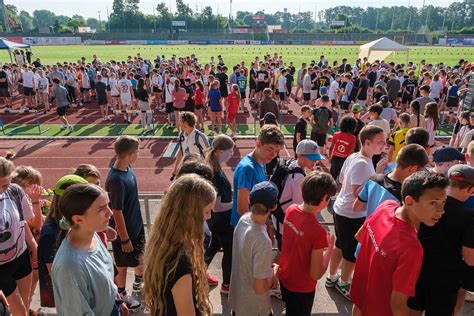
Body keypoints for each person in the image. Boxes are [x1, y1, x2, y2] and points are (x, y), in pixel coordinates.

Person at [351, 172, 449, 316]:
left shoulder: (386, 206)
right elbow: (397, 304)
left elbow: (360, 236)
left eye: (443, 203)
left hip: (359, 297)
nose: (441, 211)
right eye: (433, 203)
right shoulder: (412, 248)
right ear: (409, 201)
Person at [326, 126, 386, 300]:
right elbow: (357, 193)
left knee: (340, 244)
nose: (384, 145)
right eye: (380, 142)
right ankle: (344, 282)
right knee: (351, 253)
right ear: (367, 143)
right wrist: (377, 176)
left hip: (341, 208)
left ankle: (332, 277)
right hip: (351, 214)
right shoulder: (363, 163)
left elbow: (342, 178)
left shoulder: (353, 156)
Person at [143, 174, 215, 315]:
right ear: (189, 214)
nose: (209, 217)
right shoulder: (180, 265)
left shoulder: (162, 242)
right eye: (207, 211)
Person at [408, 165, 474, 316]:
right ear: (470, 189)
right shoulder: (469, 216)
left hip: (418, 268)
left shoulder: (425, 203)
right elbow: (470, 259)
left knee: (414, 309)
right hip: (445, 277)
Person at [51, 184, 125, 316]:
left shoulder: (93, 235)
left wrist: (116, 298)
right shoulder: (70, 266)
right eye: (102, 209)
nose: (110, 212)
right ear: (78, 219)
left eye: (108, 205)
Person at [279, 172, 337, 315]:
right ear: (325, 198)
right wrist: (330, 250)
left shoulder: (291, 210)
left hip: (285, 277)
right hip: (301, 288)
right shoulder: (317, 232)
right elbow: (316, 274)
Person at [229, 181, 280, 316]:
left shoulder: (243, 220)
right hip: (255, 308)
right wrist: (274, 272)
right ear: (274, 207)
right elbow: (260, 287)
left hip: (238, 301)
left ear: (249, 199)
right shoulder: (262, 241)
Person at [105, 135, 144, 310]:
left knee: (138, 257)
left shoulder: (128, 169)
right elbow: (117, 212)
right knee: (122, 264)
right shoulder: (116, 180)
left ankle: (138, 281)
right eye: (137, 151)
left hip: (136, 226)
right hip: (125, 232)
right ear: (129, 154)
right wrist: (125, 239)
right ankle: (121, 294)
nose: (138, 154)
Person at [0, 157, 37, 316]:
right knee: (20, 312)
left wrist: (34, 246)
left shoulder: (15, 191)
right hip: (1, 268)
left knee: (25, 307)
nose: (1, 190)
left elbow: (25, 221)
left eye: (4, 185)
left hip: (20, 257)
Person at [354, 144, 429, 217]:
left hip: (369, 228)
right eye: (421, 170)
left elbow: (356, 207)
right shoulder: (405, 197)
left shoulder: (373, 180)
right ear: (413, 169)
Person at [230, 125, 285, 227]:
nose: (273, 155)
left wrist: (267, 226)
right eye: (270, 149)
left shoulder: (262, 161)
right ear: (258, 144)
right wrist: (259, 229)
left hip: (257, 223)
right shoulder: (247, 168)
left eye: (276, 151)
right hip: (247, 228)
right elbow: (242, 209)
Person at [204, 135, 235, 294]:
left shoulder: (214, 166)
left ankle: (200, 273)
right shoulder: (214, 173)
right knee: (229, 252)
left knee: (214, 246)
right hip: (222, 221)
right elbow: (217, 207)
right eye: (230, 151)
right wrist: (236, 203)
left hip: (216, 222)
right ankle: (227, 285)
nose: (232, 154)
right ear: (220, 151)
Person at [171, 112, 210, 179]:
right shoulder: (181, 135)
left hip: (200, 170)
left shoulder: (200, 137)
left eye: (180, 121)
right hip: (187, 168)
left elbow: (208, 155)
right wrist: (176, 168)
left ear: (185, 123)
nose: (179, 123)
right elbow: (181, 151)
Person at [328, 116, 357, 180]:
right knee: (342, 178)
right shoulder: (353, 138)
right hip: (344, 160)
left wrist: (330, 157)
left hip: (335, 158)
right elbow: (351, 152)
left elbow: (331, 147)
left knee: (332, 176)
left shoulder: (336, 134)